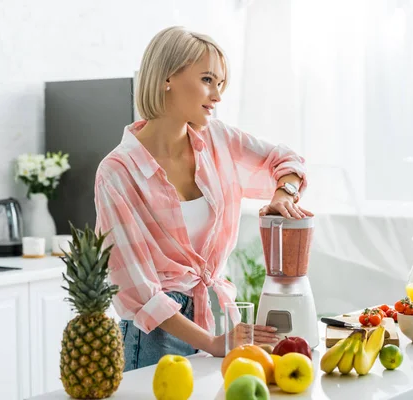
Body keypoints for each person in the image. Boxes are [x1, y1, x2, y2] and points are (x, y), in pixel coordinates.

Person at [93, 26, 313, 371]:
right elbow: (135, 288)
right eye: (208, 80)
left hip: (218, 318)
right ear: (168, 77)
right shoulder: (118, 172)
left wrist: (285, 194)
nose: (217, 95)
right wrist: (210, 343)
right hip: (156, 338)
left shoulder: (218, 140)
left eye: (220, 84)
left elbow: (286, 160)